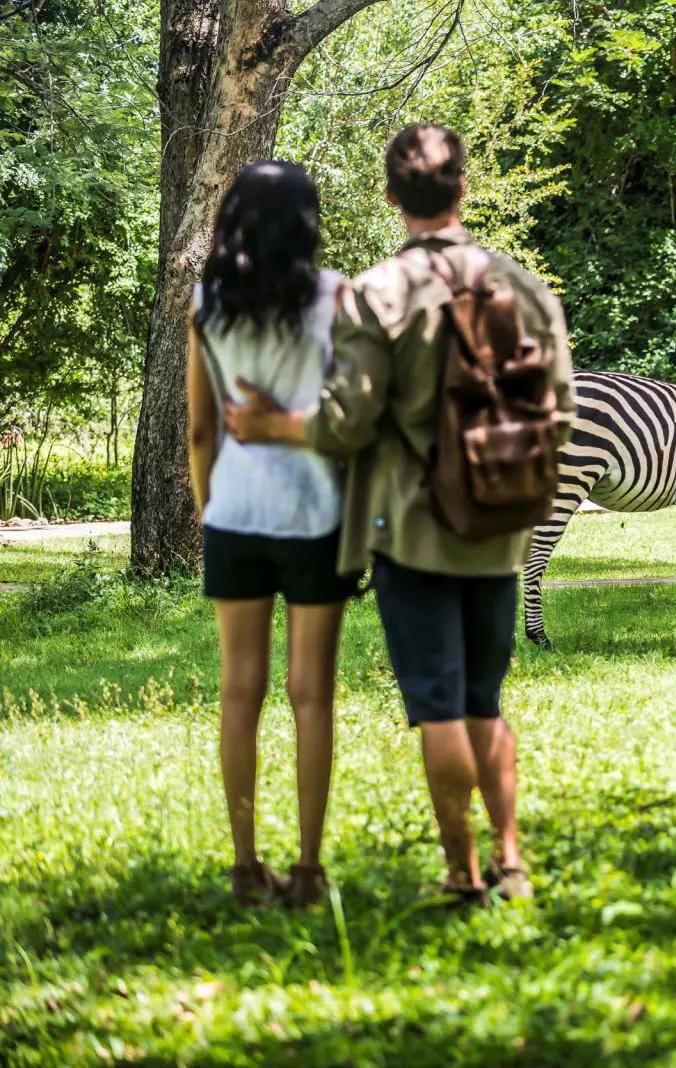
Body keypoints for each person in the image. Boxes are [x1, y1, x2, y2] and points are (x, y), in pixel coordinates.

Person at [225, 125, 575, 905]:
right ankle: (512, 860)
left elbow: (345, 423)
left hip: (413, 530)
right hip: (500, 525)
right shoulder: (522, 284)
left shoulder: (378, 293)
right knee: (486, 698)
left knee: (439, 705)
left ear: (391, 197)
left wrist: (274, 425)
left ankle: (462, 874)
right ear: (464, 192)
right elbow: (561, 407)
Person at [186, 161, 356, 908]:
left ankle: (246, 866)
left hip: (235, 515)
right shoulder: (334, 296)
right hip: (316, 517)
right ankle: (310, 871)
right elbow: (349, 416)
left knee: (238, 693)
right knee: (311, 694)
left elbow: (199, 429)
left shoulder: (207, 303)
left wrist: (209, 509)